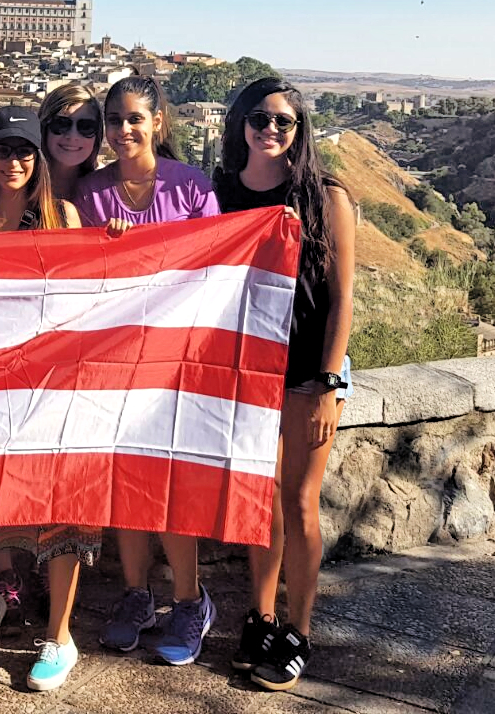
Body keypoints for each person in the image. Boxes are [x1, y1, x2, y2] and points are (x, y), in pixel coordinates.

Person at [73, 76, 221, 667]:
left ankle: (190, 599)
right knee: (124, 486)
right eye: (114, 120)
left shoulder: (190, 187)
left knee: (168, 487)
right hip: (115, 358)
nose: (122, 130)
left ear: (158, 121)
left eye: (134, 118)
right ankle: (138, 596)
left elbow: (219, 260)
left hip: (177, 360)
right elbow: (79, 273)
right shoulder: (91, 194)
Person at [213, 78, 355, 691]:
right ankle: (262, 617)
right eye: (260, 118)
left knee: (297, 501)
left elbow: (344, 296)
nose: (271, 129)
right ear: (240, 123)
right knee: (258, 500)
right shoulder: (220, 194)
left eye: (285, 121)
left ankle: (299, 630)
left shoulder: (326, 196)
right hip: (249, 369)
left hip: (307, 374)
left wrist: (327, 382)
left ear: (300, 130)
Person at [0, 107, 87, 692]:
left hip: (52, 387)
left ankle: (60, 636)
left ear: (39, 162)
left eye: (25, 151)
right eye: (4, 150)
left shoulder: (67, 219)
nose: (15, 162)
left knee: (60, 510)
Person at [36, 83, 103, 202]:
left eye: (86, 127)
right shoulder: (21, 182)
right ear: (44, 127)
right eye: (61, 124)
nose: (73, 136)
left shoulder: (106, 189)